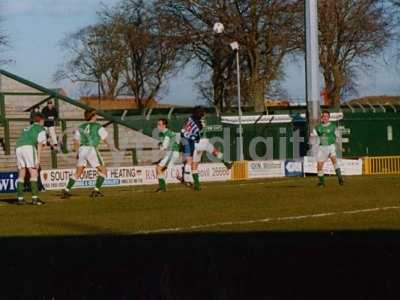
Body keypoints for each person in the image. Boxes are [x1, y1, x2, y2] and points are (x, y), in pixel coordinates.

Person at [61, 109, 111, 199]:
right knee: (103, 170)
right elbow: (106, 138)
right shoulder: (97, 126)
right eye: (96, 115)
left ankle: (66, 190)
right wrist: (111, 147)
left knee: (78, 172)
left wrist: (77, 152)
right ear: (93, 116)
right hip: (91, 149)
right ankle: (96, 191)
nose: (97, 116)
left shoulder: (81, 126)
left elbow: (76, 141)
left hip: (82, 149)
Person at [180, 106, 232, 191]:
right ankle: (227, 162)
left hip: (195, 145)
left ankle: (197, 186)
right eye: (203, 112)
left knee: (194, 165)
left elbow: (184, 129)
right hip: (203, 141)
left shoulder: (188, 119)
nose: (204, 114)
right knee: (215, 151)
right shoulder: (201, 121)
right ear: (200, 113)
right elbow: (200, 129)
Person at [15, 113, 47, 205]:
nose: (43, 122)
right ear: (40, 120)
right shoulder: (41, 129)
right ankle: (35, 199)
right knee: (34, 173)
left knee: (22, 173)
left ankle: (20, 198)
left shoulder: (26, 128)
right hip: (28, 147)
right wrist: (38, 160)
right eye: (43, 120)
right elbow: (40, 144)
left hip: (18, 147)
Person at [314, 111, 344, 187]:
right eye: (323, 116)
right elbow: (313, 136)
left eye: (327, 116)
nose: (325, 118)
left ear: (329, 118)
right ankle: (322, 183)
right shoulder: (318, 127)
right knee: (319, 166)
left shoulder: (333, 127)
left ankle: (340, 178)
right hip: (321, 147)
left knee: (334, 161)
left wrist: (340, 147)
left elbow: (338, 138)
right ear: (321, 118)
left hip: (330, 146)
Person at [155, 118, 180, 192]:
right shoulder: (168, 132)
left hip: (172, 153)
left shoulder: (166, 134)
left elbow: (164, 147)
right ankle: (163, 186)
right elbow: (177, 140)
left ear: (164, 125)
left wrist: (160, 147)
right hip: (173, 153)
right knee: (161, 170)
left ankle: (162, 188)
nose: (158, 126)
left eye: (159, 124)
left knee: (158, 168)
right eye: (157, 124)